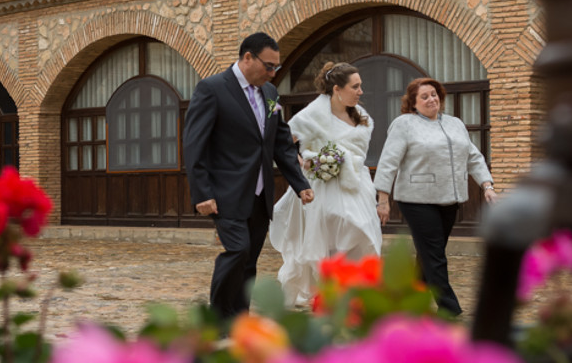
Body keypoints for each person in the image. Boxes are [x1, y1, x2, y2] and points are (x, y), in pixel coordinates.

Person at [182, 32, 314, 321]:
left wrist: (300, 183)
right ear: (247, 58)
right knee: (237, 251)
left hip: (260, 194)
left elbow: (280, 142)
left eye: (276, 67)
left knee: (249, 260)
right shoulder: (212, 88)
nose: (273, 73)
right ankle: (218, 318)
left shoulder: (270, 93)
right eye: (269, 66)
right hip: (225, 192)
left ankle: (239, 319)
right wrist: (201, 192)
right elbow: (194, 144)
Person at [373, 77, 497, 316]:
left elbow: (473, 156)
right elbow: (389, 162)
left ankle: (405, 300)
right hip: (416, 199)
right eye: (424, 96)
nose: (432, 99)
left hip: (450, 199)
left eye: (434, 94)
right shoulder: (404, 124)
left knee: (428, 254)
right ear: (413, 103)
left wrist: (487, 185)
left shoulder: (454, 123)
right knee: (435, 255)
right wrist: (383, 199)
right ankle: (450, 309)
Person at [269, 62, 382, 305]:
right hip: (324, 185)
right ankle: (329, 291)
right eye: (355, 87)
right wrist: (305, 162)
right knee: (335, 232)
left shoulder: (361, 116)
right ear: (337, 89)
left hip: (356, 184)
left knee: (363, 232)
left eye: (360, 86)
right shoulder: (312, 115)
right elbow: (284, 142)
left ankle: (353, 290)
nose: (361, 91)